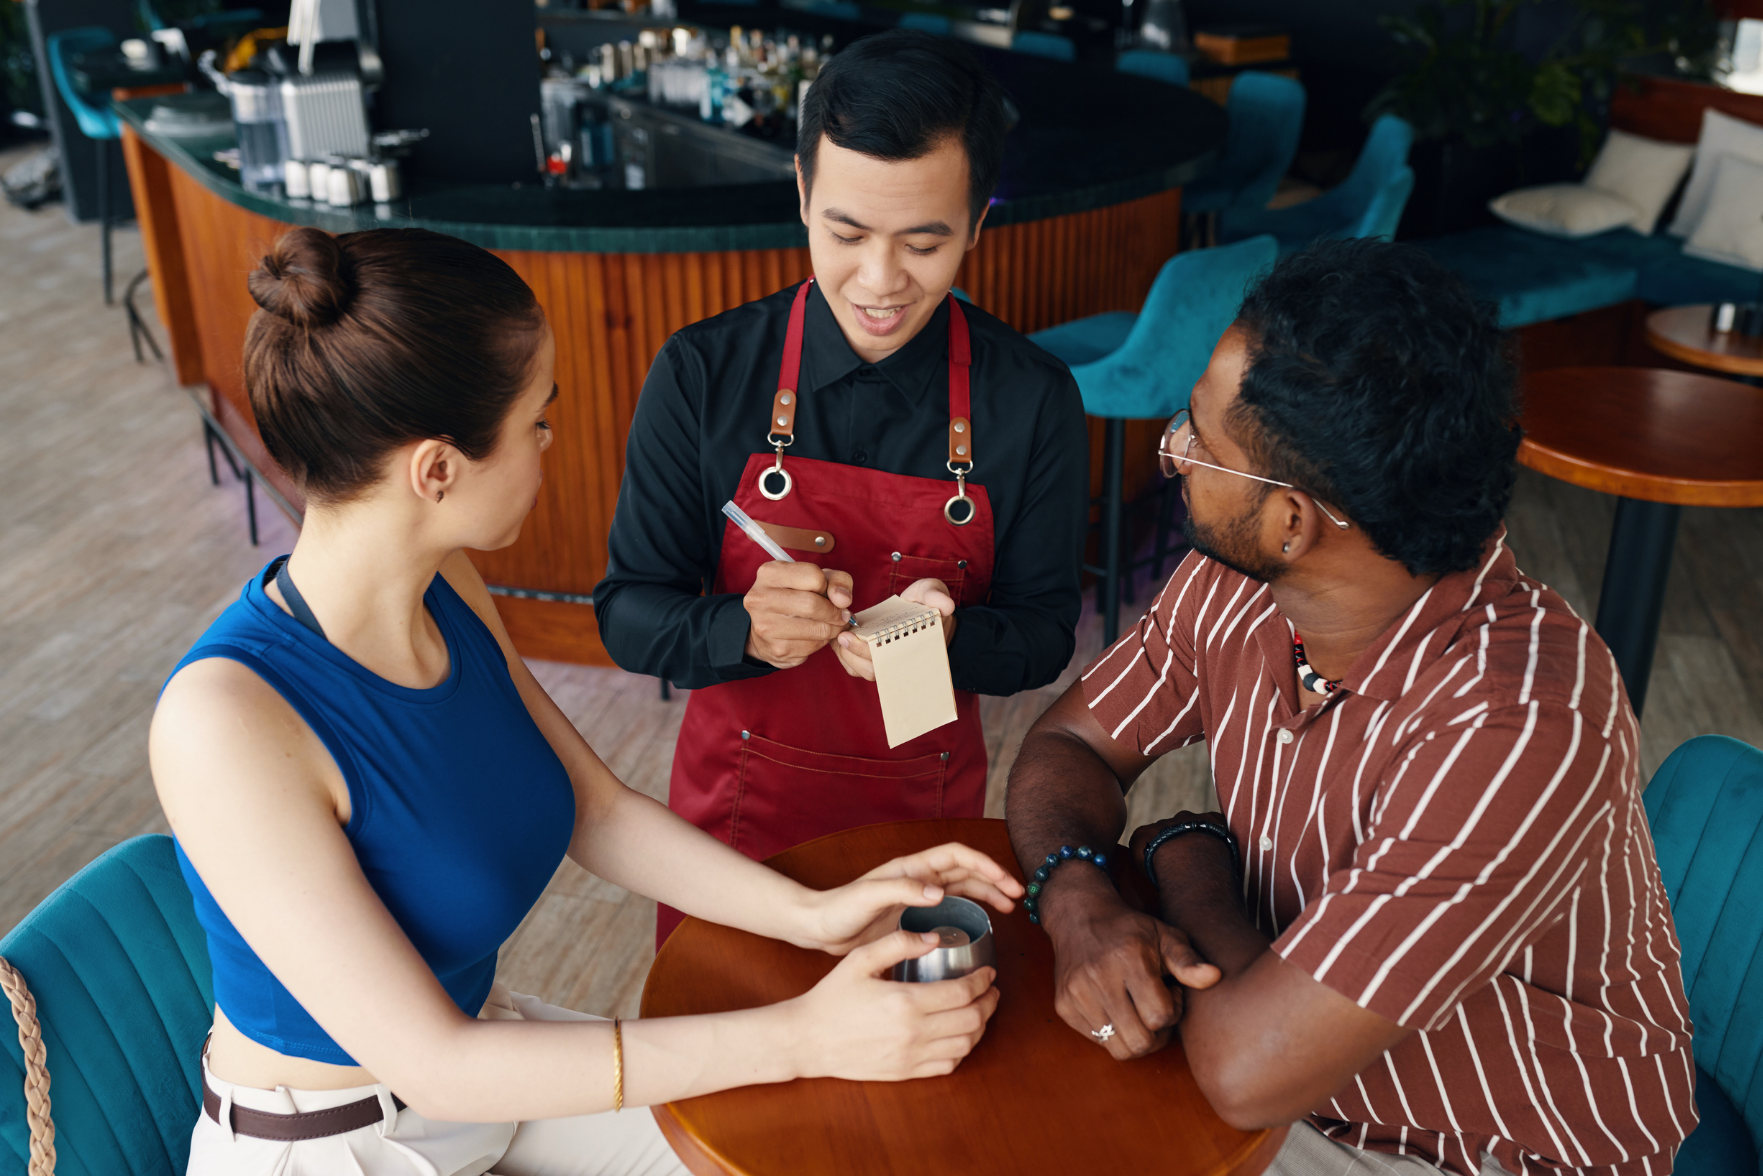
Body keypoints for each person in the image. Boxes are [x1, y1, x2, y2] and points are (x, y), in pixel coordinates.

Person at [152, 225, 1021, 1176]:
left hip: (482, 1077)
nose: (548, 445)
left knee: (805, 1144)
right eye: (535, 422)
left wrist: (811, 915)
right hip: (339, 1144)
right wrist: (804, 1033)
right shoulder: (222, 724)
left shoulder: (447, 586)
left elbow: (597, 810)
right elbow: (437, 1064)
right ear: (436, 471)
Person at [1003, 239, 1694, 1176]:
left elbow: (1246, 1071)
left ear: (1292, 522)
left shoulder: (1519, 720)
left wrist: (1185, 855)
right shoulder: (1242, 586)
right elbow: (1071, 742)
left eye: (1200, 439)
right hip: (1281, 1063)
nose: (1171, 450)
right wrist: (1079, 894)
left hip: (1483, 1152)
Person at [592, 30, 1087, 943]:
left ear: (979, 222)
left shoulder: (1030, 399)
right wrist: (740, 627)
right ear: (801, 193)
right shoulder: (704, 372)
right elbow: (627, 612)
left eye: (925, 243)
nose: (879, 281)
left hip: (922, 828)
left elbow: (1043, 635)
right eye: (846, 233)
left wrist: (950, 641)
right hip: (734, 834)